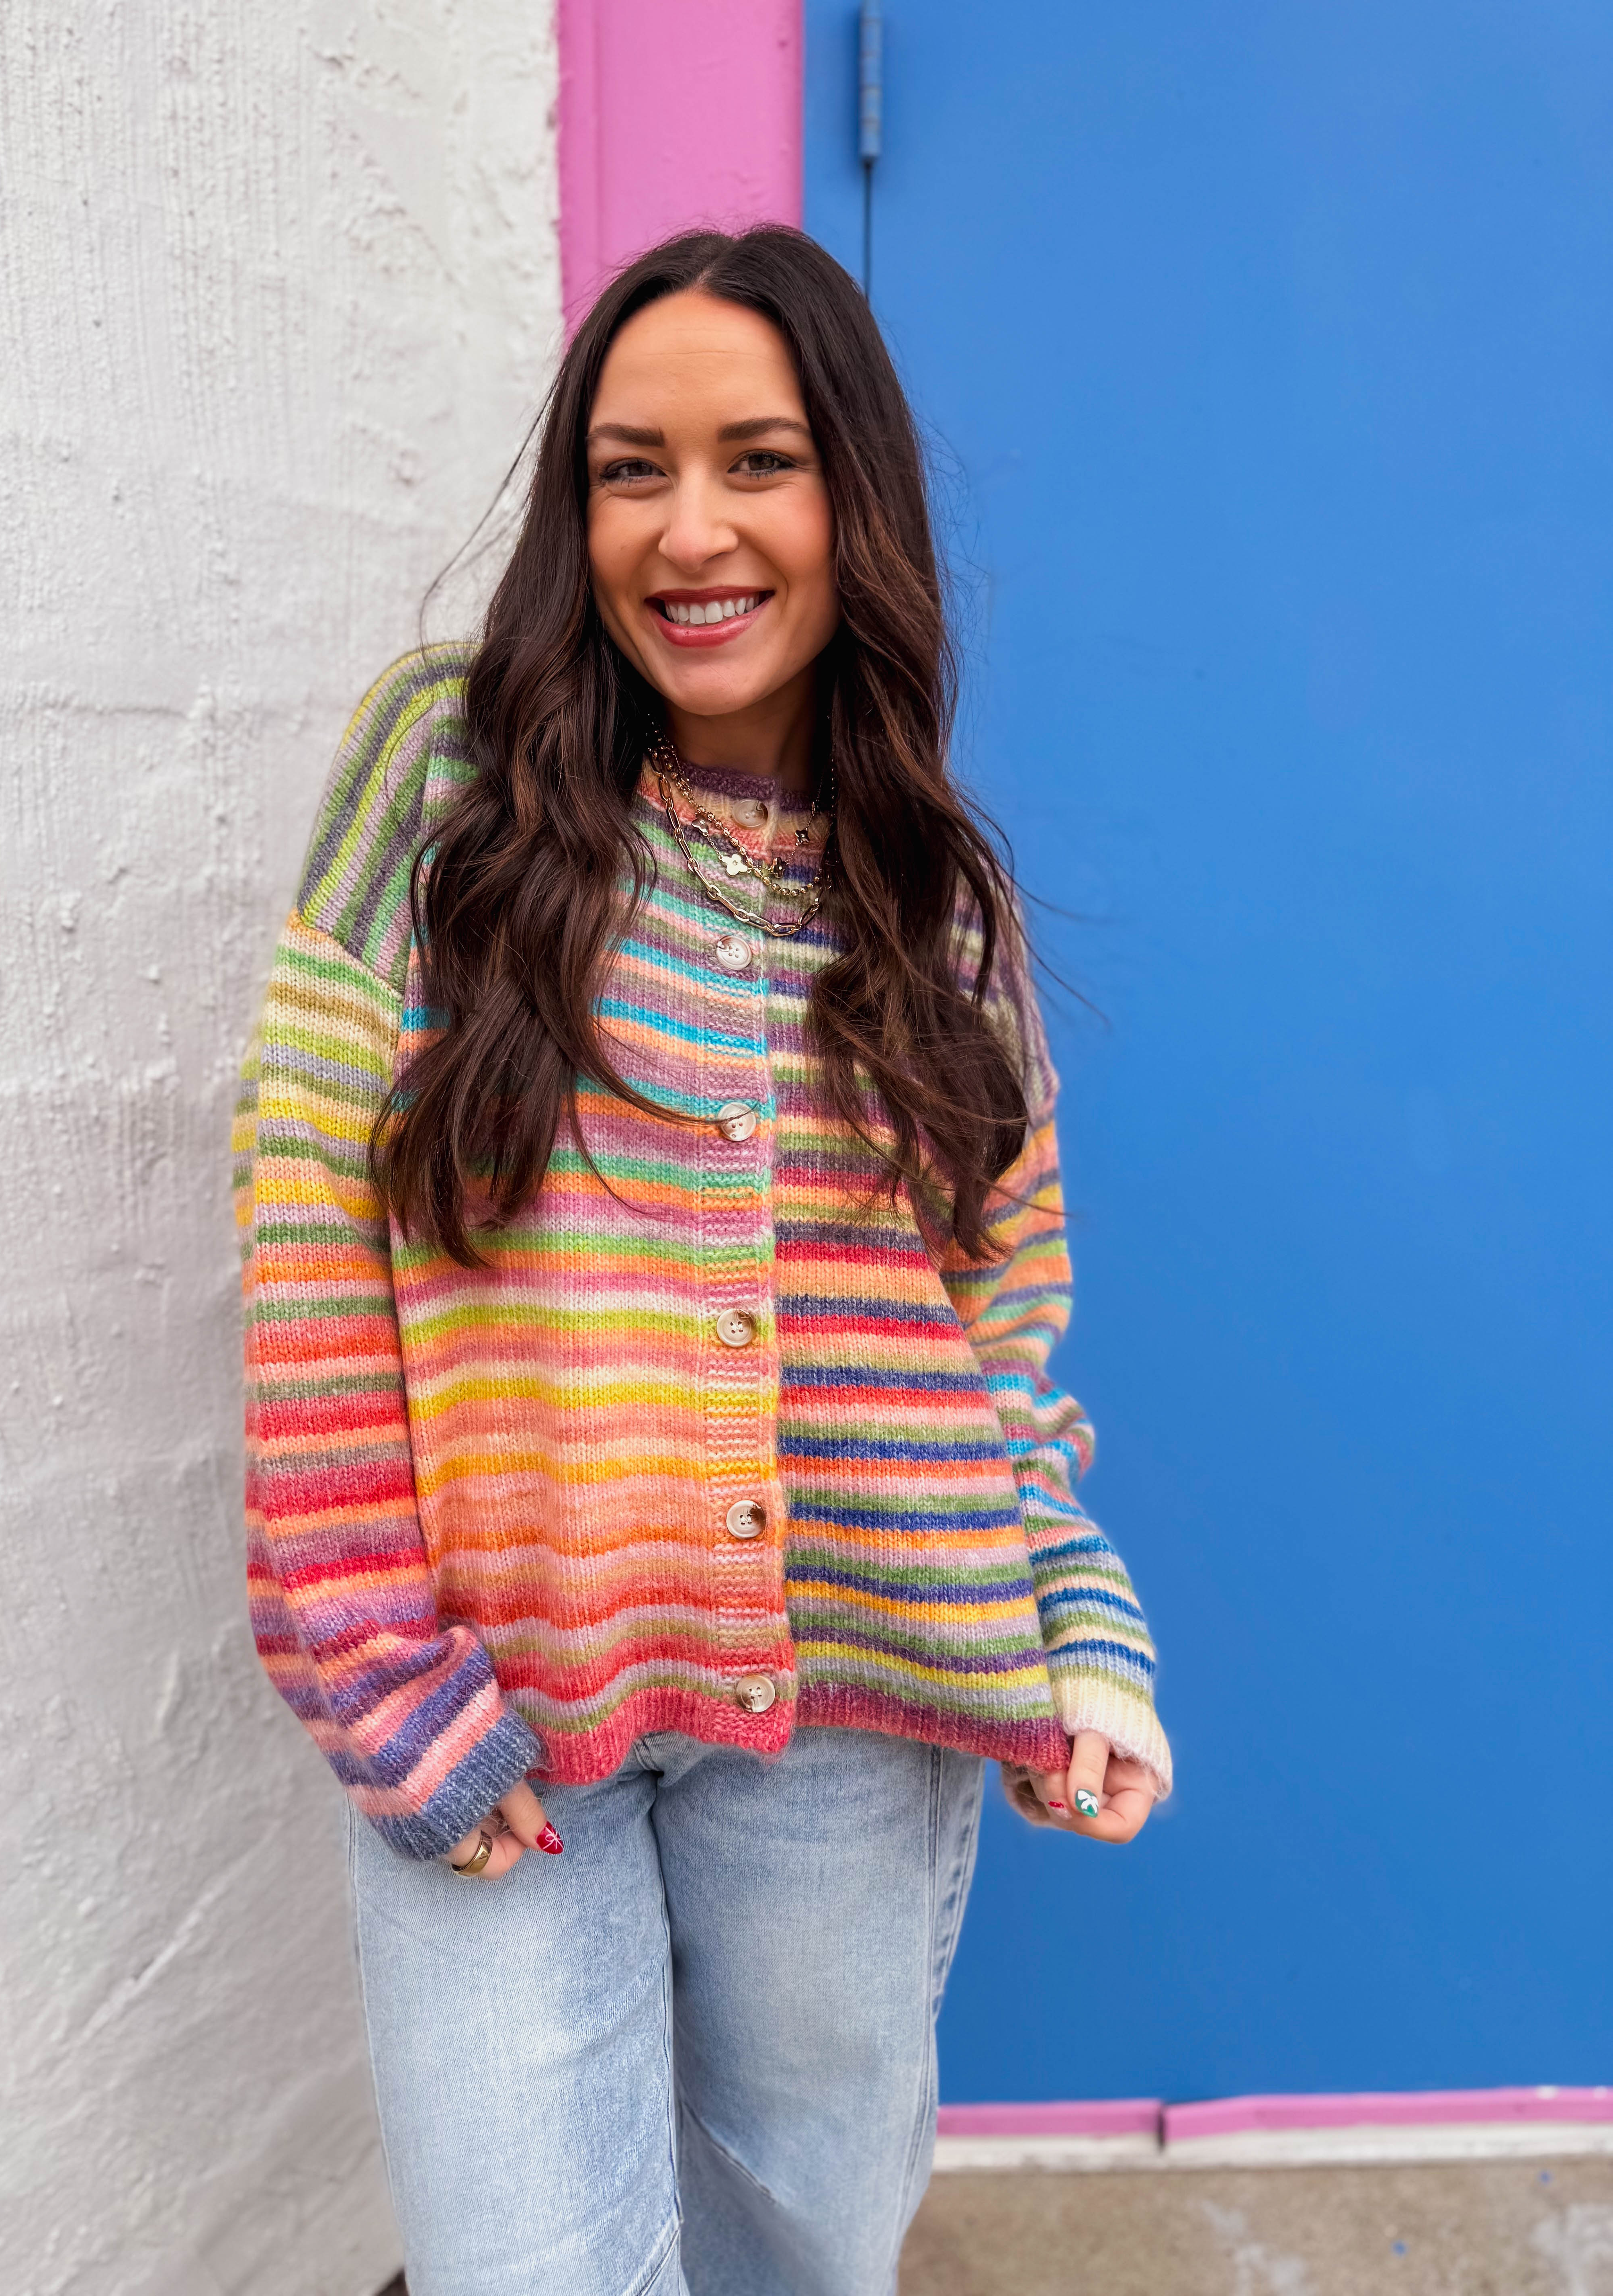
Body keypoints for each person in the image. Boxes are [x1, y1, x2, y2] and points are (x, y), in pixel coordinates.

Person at [234, 226, 1172, 2296]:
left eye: (758, 460)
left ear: (856, 501)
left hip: (855, 1712)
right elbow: (307, 1229)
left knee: (804, 2253)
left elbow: (992, 1338)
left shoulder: (938, 905)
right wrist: (369, 1654)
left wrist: (1077, 1617)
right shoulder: (443, 776)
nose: (690, 531)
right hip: (497, 1697)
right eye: (629, 471)